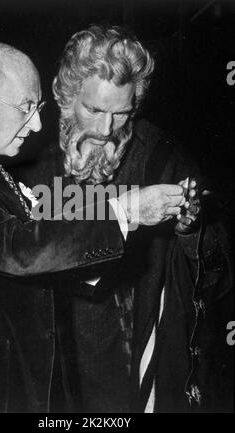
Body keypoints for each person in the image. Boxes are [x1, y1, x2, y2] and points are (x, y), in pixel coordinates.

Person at [0, 41, 177, 413]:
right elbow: (17, 250)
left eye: (38, 108)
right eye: (25, 109)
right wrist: (126, 210)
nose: (35, 125)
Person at [29, 25, 233, 413]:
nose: (106, 130)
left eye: (121, 113)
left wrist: (189, 231)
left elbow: (217, 279)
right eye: (94, 110)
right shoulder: (29, 155)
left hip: (131, 369)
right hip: (49, 364)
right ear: (67, 96)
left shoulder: (160, 156)